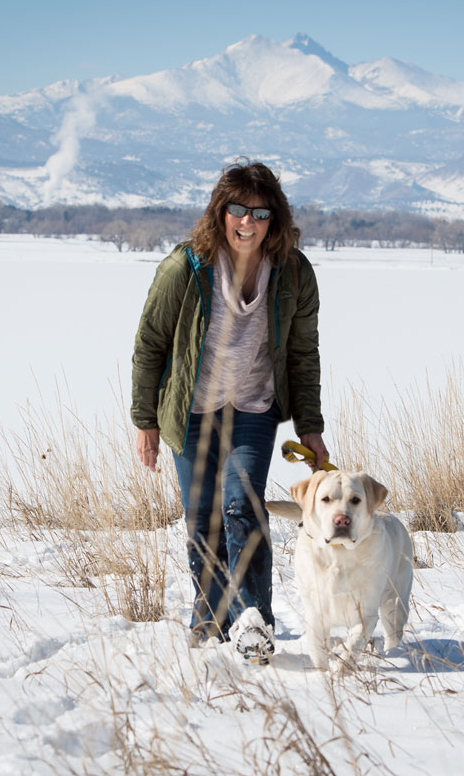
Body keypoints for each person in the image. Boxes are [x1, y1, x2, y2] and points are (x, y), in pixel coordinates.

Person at [130, 160, 329, 661]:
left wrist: (310, 426)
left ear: (274, 220)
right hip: (191, 414)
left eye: (260, 213)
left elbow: (304, 354)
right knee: (203, 524)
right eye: (237, 210)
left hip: (252, 411)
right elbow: (150, 345)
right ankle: (210, 621)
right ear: (220, 213)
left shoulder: (292, 273)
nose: (247, 222)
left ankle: (252, 622)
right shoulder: (186, 267)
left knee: (242, 506)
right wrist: (145, 422)